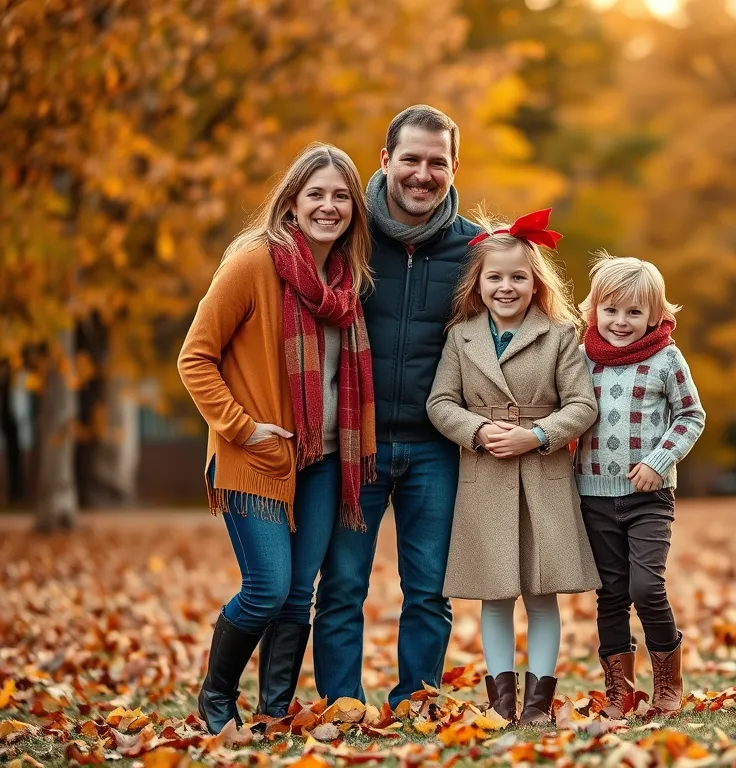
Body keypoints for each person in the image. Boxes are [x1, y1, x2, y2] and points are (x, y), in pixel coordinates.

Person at [177, 143, 376, 733]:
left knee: (298, 594)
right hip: (255, 455)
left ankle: (272, 711)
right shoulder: (253, 262)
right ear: (291, 201)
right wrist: (241, 427)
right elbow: (195, 358)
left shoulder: (346, 278)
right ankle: (216, 697)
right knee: (266, 589)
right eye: (316, 193)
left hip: (323, 460)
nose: (328, 206)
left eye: (341, 196)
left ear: (354, 209)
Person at [313, 105, 481, 708]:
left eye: (437, 162)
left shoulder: (478, 251)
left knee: (429, 590)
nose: (422, 173)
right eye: (410, 158)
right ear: (384, 161)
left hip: (435, 448)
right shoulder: (346, 236)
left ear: (454, 167)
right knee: (342, 586)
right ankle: (342, 703)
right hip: (355, 445)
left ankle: (417, 699)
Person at [426, 208, 601, 725]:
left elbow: (583, 405)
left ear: (535, 283)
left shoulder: (559, 335)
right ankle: (501, 702)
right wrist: (478, 432)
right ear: (478, 283)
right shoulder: (461, 337)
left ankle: (538, 705)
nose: (506, 287)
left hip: (543, 478)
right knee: (496, 594)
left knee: (542, 594)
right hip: (485, 476)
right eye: (495, 277)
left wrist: (538, 434)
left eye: (518, 277)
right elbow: (440, 403)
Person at [574, 251, 706, 718]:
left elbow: (692, 415)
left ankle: (669, 682)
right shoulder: (580, 356)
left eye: (634, 312)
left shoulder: (666, 358)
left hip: (649, 497)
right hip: (592, 496)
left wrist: (659, 458)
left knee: (646, 586)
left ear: (656, 315)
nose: (621, 321)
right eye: (610, 310)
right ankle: (619, 691)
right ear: (594, 310)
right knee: (610, 593)